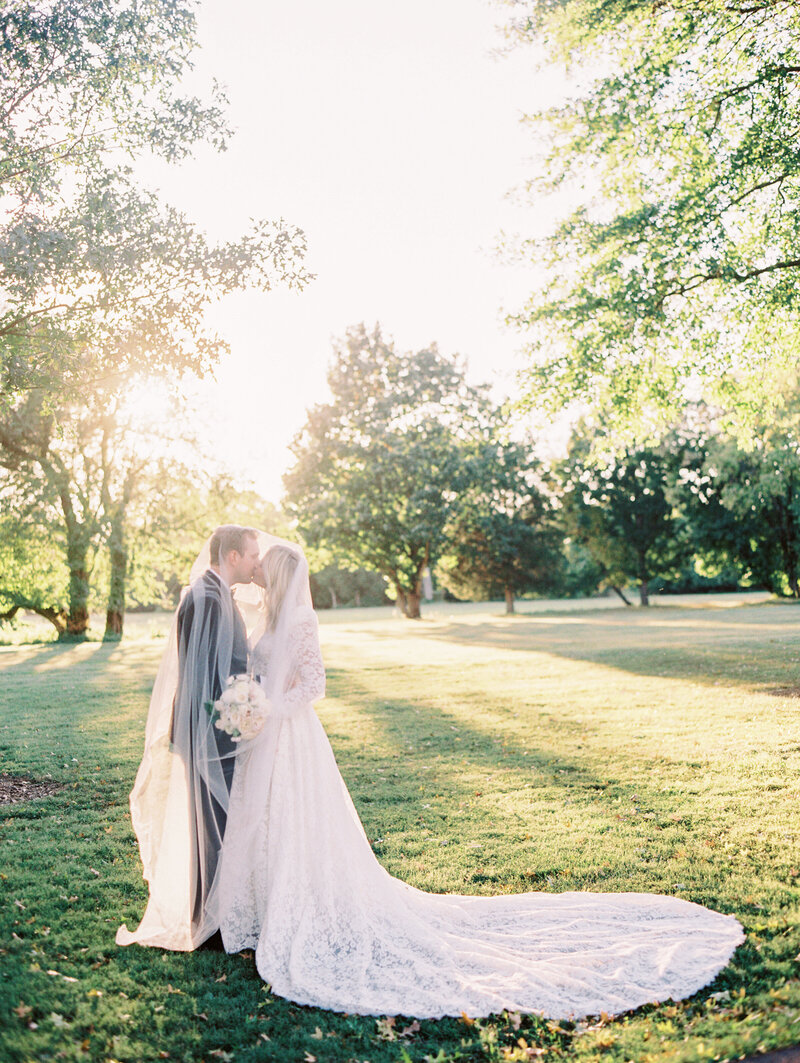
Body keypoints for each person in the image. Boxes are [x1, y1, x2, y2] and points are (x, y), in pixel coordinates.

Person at [210, 539, 744, 1020]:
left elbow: (315, 685)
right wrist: (250, 703)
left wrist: (271, 708)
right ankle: (263, 909)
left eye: (263, 567)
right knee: (265, 821)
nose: (256, 572)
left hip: (293, 736)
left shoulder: (302, 620)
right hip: (266, 740)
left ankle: (304, 910)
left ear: (278, 575)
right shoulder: (264, 617)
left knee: (297, 818)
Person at [116, 524, 263, 950]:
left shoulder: (214, 593)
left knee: (218, 821)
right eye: (252, 555)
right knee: (212, 824)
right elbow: (203, 674)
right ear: (232, 556)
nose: (256, 562)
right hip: (211, 727)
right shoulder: (207, 598)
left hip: (214, 723)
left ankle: (219, 913)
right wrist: (235, 713)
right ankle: (211, 921)